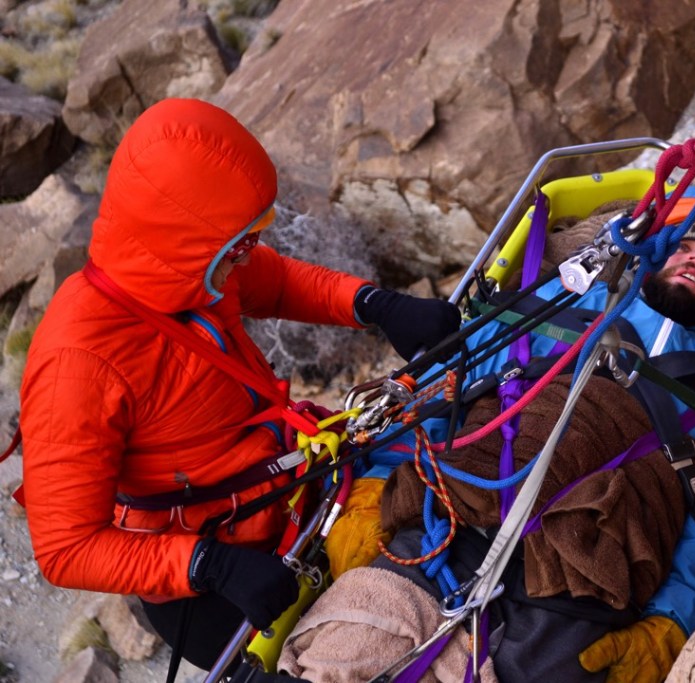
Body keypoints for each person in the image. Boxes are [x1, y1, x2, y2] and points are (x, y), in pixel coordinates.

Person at [276, 188, 695, 682]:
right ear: (653, 249)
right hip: (445, 527)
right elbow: (443, 392)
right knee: (339, 654)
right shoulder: (556, 302)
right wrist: (375, 490)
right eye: (684, 243)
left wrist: (670, 625)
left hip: (584, 588)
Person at [16, 98, 461, 675]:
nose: (250, 253)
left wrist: (375, 304)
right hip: (213, 591)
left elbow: (273, 280)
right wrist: (209, 566)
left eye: (252, 235)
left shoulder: (190, 272)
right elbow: (65, 548)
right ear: (182, 241)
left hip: (290, 496)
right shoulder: (76, 364)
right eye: (239, 243)